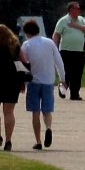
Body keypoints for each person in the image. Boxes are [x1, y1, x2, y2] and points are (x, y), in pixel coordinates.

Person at [19, 18, 63, 151]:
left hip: (33, 82)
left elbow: (23, 65)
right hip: (48, 81)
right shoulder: (49, 43)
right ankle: (48, 128)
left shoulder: (26, 45)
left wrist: (22, 81)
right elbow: (58, 62)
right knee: (47, 110)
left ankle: (38, 141)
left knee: (35, 112)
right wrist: (63, 78)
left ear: (27, 32)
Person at [54, 2, 85, 101]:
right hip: (66, 51)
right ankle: (62, 90)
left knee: (77, 73)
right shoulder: (63, 20)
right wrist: (54, 48)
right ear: (71, 10)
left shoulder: (81, 20)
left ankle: (75, 94)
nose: (79, 10)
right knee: (66, 73)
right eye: (77, 8)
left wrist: (76, 26)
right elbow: (56, 34)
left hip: (79, 52)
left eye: (79, 9)